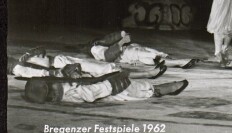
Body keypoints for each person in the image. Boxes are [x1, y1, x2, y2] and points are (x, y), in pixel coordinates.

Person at [23, 71, 189, 104]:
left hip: (107, 86)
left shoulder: (65, 87)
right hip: (116, 89)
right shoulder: (75, 92)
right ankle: (169, 89)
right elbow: (91, 93)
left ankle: (160, 89)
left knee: (142, 87)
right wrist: (113, 81)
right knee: (145, 89)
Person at [9, 46, 167, 79]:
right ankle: (148, 74)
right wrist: (58, 72)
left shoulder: (22, 60)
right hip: (59, 66)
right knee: (105, 71)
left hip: (59, 60)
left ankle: (149, 72)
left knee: (104, 68)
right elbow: (41, 72)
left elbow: (42, 51)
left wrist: (33, 53)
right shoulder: (19, 68)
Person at [88, 30, 198, 69]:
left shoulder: (107, 42)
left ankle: (176, 62)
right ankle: (179, 63)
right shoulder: (96, 48)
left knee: (149, 53)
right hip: (127, 53)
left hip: (131, 49)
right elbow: (108, 56)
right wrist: (122, 41)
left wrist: (123, 38)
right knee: (146, 56)